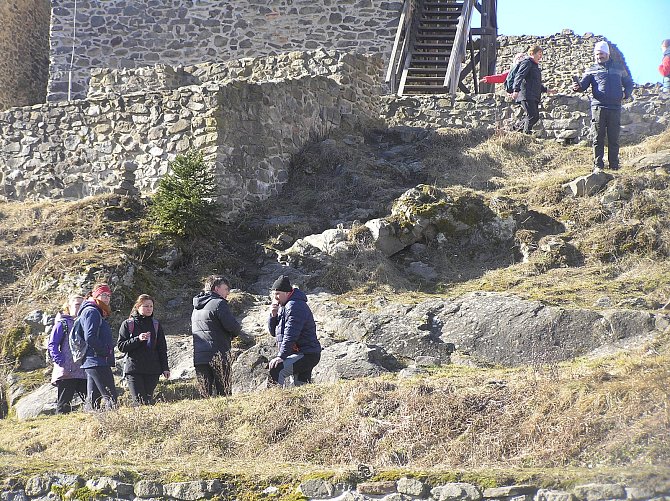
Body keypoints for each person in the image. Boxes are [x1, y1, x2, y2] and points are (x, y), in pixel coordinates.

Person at [572, 40, 634, 171]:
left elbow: (629, 83)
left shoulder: (619, 68)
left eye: (601, 54)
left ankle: (614, 166)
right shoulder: (591, 69)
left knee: (614, 138)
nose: (599, 57)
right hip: (598, 107)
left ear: (607, 53)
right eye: (597, 55)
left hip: (615, 107)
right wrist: (577, 87)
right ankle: (598, 165)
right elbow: (582, 86)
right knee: (598, 137)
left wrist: (625, 94)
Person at [191, 275, 241, 397]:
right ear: (216, 288)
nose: (228, 293)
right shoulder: (219, 303)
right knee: (224, 394)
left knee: (205, 396)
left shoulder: (195, 308)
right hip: (218, 355)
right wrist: (234, 333)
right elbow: (233, 326)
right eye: (226, 289)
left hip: (200, 357)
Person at [267, 275, 321, 387]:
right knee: (300, 387)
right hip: (303, 353)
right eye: (274, 294)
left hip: (306, 354)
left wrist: (281, 357)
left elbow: (290, 334)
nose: (275, 297)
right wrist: (273, 315)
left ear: (287, 293)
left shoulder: (295, 306)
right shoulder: (284, 306)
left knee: (276, 370)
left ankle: (272, 402)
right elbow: (274, 333)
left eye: (278, 294)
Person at [117, 294, 170, 405]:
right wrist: (138, 339)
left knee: (148, 401)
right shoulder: (128, 324)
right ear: (138, 307)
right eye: (146, 306)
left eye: (151, 306)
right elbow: (121, 346)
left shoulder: (156, 325)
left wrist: (165, 368)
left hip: (153, 370)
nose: (149, 309)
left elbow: (162, 348)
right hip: (134, 370)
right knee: (139, 402)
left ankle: (147, 422)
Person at [79, 283, 118, 410]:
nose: (106, 298)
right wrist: (105, 351)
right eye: (103, 295)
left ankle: (92, 425)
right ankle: (114, 425)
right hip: (97, 360)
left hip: (92, 361)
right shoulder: (92, 312)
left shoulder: (94, 311)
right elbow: (90, 337)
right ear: (95, 295)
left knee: (93, 400)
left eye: (108, 295)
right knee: (111, 397)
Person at [48, 294, 88, 414]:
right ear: (69, 306)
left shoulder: (86, 322)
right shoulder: (63, 323)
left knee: (92, 399)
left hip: (83, 369)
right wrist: (61, 361)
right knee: (64, 404)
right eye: (76, 304)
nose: (79, 307)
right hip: (67, 371)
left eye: (82, 305)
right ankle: (59, 426)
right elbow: (52, 344)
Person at [511, 45, 552, 135]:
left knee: (534, 116)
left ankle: (516, 128)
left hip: (533, 95)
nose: (541, 56)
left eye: (541, 53)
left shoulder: (535, 66)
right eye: (539, 53)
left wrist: (546, 90)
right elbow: (519, 76)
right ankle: (526, 133)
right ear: (532, 53)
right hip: (526, 94)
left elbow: (535, 82)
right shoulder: (527, 63)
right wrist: (516, 90)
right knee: (532, 116)